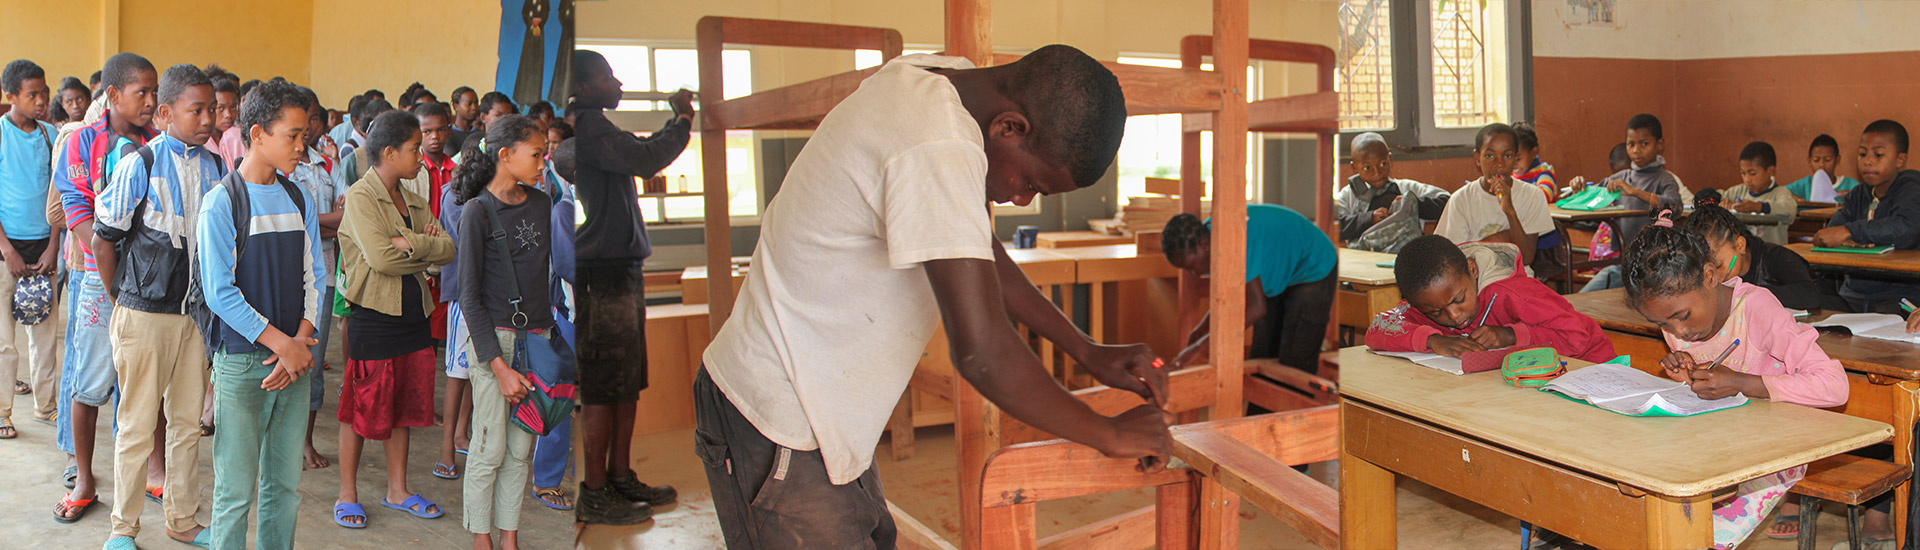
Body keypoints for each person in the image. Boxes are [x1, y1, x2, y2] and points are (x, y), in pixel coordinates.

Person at [695, 45, 1170, 546]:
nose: (1021, 199)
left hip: (822, 412)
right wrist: (1110, 433)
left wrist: (1085, 349)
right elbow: (982, 354)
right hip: (777, 418)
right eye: (1031, 183)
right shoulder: (937, 140)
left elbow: (976, 248)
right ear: (1009, 127)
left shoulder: (941, 83)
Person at [1622, 223, 1847, 550]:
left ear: (1710, 276)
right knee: (1646, 505)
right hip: (1723, 441)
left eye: (1682, 316)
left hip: (1781, 445)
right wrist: (1690, 376)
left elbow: (1835, 386)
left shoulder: (1756, 309)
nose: (1678, 332)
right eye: (1662, 324)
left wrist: (1743, 383)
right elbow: (1712, 388)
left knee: (1699, 534)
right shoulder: (1679, 323)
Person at [92, 63, 224, 550]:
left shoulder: (216, 168)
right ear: (165, 114)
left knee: (187, 424)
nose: (208, 119)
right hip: (144, 315)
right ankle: (122, 528)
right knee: (136, 425)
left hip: (194, 318)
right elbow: (104, 238)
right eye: (197, 110)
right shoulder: (141, 163)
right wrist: (121, 299)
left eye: (212, 110)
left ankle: (182, 519)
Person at [199, 78, 325, 550]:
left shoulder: (299, 198)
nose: (301, 145)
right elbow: (220, 293)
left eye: (304, 135)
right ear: (256, 134)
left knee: (284, 489)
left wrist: (300, 342)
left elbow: (316, 276)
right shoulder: (223, 201)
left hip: (294, 361)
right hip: (242, 364)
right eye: (292, 135)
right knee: (234, 492)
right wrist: (282, 345)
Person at [566, 50, 689, 524]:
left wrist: (674, 123)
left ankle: (618, 476)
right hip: (601, 275)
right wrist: (682, 120)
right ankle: (595, 491)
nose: (617, 84)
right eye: (608, 77)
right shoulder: (589, 128)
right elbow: (647, 158)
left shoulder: (598, 128)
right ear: (582, 88)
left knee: (624, 381)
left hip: (619, 270)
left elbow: (639, 150)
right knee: (603, 386)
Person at [334, 109, 456, 529]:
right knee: (359, 408)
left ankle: (397, 490)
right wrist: (421, 249)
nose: (421, 157)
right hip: (374, 317)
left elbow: (448, 250)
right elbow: (381, 259)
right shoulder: (361, 197)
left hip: (413, 315)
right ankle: (347, 493)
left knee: (403, 405)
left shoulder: (414, 198)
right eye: (414, 149)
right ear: (389, 152)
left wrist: (408, 243)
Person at [53, 51, 158, 525]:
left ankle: (154, 470)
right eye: (142, 92)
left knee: (149, 377)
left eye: (155, 92)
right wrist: (106, 264)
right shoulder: (82, 141)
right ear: (113, 95)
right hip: (98, 277)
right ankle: (85, 478)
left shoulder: (159, 144)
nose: (151, 101)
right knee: (91, 378)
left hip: (150, 278)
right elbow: (76, 206)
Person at [453, 114, 552, 550]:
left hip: (537, 343)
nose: (542, 164)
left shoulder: (543, 203)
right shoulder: (477, 212)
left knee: (519, 451)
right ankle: (482, 539)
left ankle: (509, 538)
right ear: (506, 155)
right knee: (489, 448)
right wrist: (498, 366)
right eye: (537, 155)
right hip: (494, 344)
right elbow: (469, 297)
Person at [1365, 235, 1615, 362]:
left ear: (1472, 269)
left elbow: (1577, 337)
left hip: (1590, 368)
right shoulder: (1430, 299)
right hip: (1531, 377)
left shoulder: (1514, 292)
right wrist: (1433, 340)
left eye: (1458, 299)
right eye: (1436, 313)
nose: (1454, 316)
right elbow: (1377, 328)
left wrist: (1511, 335)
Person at [1161, 204, 1336, 372]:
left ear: (1202, 246)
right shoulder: (1209, 240)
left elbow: (1256, 308)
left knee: (1295, 359)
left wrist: (1200, 347)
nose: (1193, 273)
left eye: (1191, 267)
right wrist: (1201, 330)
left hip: (1313, 264)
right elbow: (1228, 298)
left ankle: (1294, 392)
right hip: (1281, 265)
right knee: (1263, 353)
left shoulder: (1233, 241)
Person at [0, 59, 59, 437]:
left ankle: (46, 406)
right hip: (5, 252)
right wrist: (7, 250)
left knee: (45, 338)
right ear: (11, 96)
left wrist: (54, 246)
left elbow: (60, 196)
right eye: (32, 94)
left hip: (44, 252)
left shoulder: (51, 135)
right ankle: (2, 412)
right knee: (4, 342)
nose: (41, 101)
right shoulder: (0, 134)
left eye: (44, 93)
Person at [1812, 120, 1920, 314]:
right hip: (1853, 294)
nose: (1868, 161)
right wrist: (1844, 234)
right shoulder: (1858, 194)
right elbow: (1830, 234)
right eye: (1862, 154)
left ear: (1900, 159)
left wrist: (1851, 232)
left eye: (1878, 155)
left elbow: (1906, 228)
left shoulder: (1911, 187)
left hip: (1899, 295)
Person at [293, 87, 342, 471]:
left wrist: (310, 223)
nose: (307, 127)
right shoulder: (280, 165)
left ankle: (305, 440)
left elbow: (348, 215)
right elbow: (289, 222)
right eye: (301, 119)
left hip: (321, 275)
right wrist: (323, 224)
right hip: (286, 275)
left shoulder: (327, 165)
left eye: (313, 119)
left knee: (313, 357)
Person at [1434, 122, 1554, 266]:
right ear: (1477, 158)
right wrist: (1503, 238)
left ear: (1516, 158)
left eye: (1507, 156)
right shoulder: (1461, 200)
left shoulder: (1533, 196)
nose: (1499, 164)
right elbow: (1455, 260)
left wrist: (1510, 211)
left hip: (1517, 276)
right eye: (1490, 156)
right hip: (1477, 278)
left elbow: (1527, 258)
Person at [1681, 204, 1818, 311]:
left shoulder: (1775, 257)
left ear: (1740, 245)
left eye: (1719, 266)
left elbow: (1810, 294)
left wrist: (1746, 293)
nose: (1716, 277)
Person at [1335, 131, 1448, 253]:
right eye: (1367, 168)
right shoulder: (1348, 195)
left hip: (1407, 258)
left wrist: (1414, 204)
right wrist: (1368, 218)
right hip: (1363, 260)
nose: (1377, 173)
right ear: (1354, 168)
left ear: (1390, 160)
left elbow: (1448, 202)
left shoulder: (1406, 188)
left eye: (1383, 164)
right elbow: (1332, 226)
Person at [1599, 113, 1683, 245]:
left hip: (1653, 253)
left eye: (1644, 144)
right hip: (1623, 252)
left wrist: (1635, 192)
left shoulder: (1664, 178)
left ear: (1659, 145)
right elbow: (1590, 196)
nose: (1636, 150)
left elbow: (1676, 207)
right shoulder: (1619, 178)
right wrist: (1579, 188)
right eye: (1630, 144)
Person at [1723, 141, 1797, 245]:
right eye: (1743, 173)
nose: (1747, 179)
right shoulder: (1739, 191)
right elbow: (1717, 194)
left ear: (1770, 171)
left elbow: (1789, 210)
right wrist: (1722, 201)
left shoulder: (1780, 193)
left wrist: (1758, 207)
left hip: (1772, 252)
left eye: (1752, 173)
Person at [1786, 134, 1861, 201]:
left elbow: (1863, 198)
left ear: (1837, 160)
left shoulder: (1849, 184)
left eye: (1827, 160)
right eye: (1816, 160)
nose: (1821, 164)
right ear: (1809, 161)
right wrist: (1798, 200)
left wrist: (1852, 196)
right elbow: (1781, 192)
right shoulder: (1806, 184)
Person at [204, 65, 242, 171]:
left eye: (233, 107)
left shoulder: (238, 138)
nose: (228, 114)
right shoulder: (201, 142)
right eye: (220, 108)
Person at [1512, 121, 1558, 203]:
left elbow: (1544, 196)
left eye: (1518, 159)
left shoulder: (1543, 171)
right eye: (1509, 157)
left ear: (1534, 152)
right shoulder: (1509, 176)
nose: (1514, 164)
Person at [448, 86, 480, 157]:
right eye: (469, 104)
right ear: (456, 106)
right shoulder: (448, 135)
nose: (474, 107)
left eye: (476, 103)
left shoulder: (479, 133)